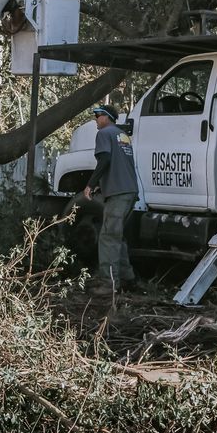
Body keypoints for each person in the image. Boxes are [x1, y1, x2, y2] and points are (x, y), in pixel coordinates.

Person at [79, 104, 137, 292]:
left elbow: (104, 159)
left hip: (118, 192)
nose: (96, 119)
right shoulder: (122, 136)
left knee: (108, 237)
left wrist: (90, 183)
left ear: (107, 117)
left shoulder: (104, 134)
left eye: (98, 115)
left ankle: (109, 283)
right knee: (116, 235)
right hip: (130, 191)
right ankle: (128, 279)